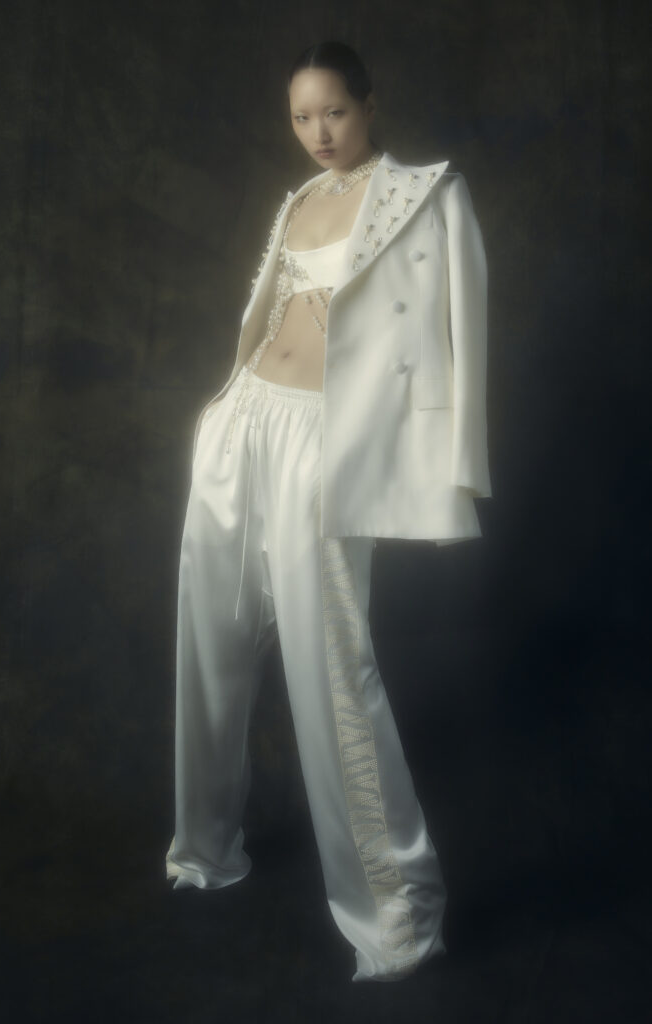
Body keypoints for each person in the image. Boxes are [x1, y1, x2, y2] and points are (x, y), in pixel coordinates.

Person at [166, 40, 491, 983]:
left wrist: (448, 474)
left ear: (370, 105)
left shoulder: (429, 196)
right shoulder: (299, 200)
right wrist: (222, 414)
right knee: (210, 638)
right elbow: (270, 314)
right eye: (302, 116)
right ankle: (205, 848)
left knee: (331, 666)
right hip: (243, 424)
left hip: (323, 443)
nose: (317, 132)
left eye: (334, 112)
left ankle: (395, 907)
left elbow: (463, 334)